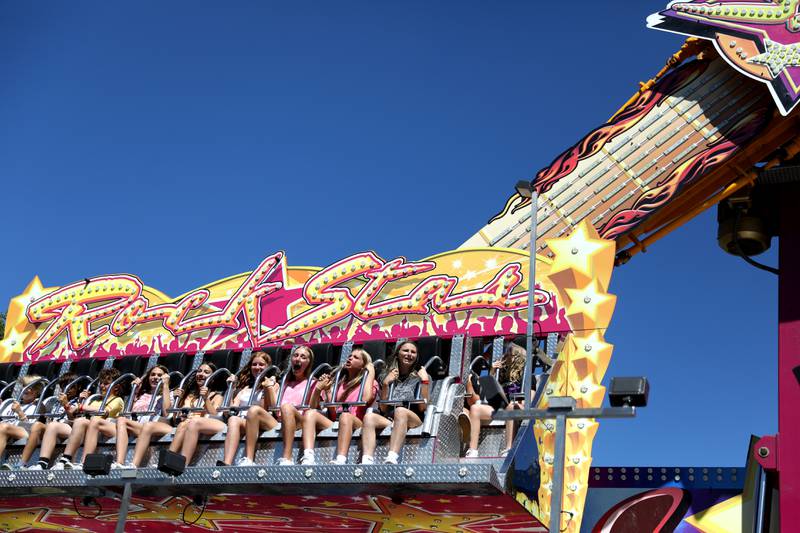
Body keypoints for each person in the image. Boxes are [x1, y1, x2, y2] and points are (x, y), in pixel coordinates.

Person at [129, 362, 221, 468]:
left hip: (202, 425)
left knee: (191, 423)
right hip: (185, 425)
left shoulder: (216, 396)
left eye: (206, 372)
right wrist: (179, 409)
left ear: (212, 377)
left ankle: (181, 463)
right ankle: (168, 460)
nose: (201, 374)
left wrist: (206, 399)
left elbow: (215, 416)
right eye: (199, 371)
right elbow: (173, 417)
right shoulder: (188, 395)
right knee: (183, 425)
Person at [236, 345, 315, 466]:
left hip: (300, 420)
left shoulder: (312, 382)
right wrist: (268, 389)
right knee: (254, 410)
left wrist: (319, 389)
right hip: (279, 420)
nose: (298, 359)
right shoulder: (284, 382)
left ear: (309, 363)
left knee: (287, 407)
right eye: (296, 355)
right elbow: (273, 407)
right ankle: (248, 459)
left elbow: (314, 409)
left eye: (303, 357)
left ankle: (287, 458)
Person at [79, 365, 170, 468]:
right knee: (95, 421)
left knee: (123, 421)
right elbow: (128, 412)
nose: (155, 377)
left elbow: (167, 413)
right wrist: (135, 392)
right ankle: (84, 462)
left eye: (159, 375)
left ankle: (119, 462)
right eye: (152, 374)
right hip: (133, 426)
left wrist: (165, 385)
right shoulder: (141, 394)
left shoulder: (167, 394)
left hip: (150, 427)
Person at [35, 367, 124, 470]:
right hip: (86, 427)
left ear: (116, 387)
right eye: (101, 383)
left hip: (103, 427)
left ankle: (65, 459)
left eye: (106, 383)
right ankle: (42, 463)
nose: (102, 386)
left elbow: (105, 411)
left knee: (81, 422)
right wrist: (79, 402)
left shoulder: (118, 400)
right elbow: (74, 415)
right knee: (53, 426)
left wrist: (82, 407)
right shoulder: (94, 400)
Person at [300, 348, 377, 465]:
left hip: (357, 422)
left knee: (346, 416)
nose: (350, 358)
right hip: (338, 421)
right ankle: (308, 456)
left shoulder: (369, 382)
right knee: (310, 413)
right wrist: (325, 390)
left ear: (363, 366)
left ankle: (341, 458)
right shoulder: (339, 383)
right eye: (350, 356)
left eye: (356, 357)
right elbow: (332, 412)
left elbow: (366, 399)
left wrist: (370, 372)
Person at [360, 341, 430, 465]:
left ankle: (392, 457)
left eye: (413, 352)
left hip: (414, 419)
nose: (409, 354)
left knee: (400, 411)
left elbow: (423, 407)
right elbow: (383, 408)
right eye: (405, 351)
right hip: (392, 418)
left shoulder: (420, 376)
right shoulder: (386, 376)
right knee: (369, 417)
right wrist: (386, 384)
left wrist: (424, 381)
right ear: (398, 354)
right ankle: (367, 459)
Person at [464, 343, 526, 458]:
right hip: (502, 407)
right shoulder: (501, 376)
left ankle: (508, 448)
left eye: (509, 355)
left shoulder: (527, 378)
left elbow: (531, 400)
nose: (505, 357)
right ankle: (472, 450)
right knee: (475, 408)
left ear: (518, 358)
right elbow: (488, 396)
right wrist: (492, 372)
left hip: (518, 407)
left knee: (511, 406)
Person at [218, 351, 277, 466]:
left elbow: (269, 408)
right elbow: (230, 410)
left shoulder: (273, 385)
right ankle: (227, 463)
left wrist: (267, 388)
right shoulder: (245, 389)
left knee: (254, 410)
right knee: (233, 419)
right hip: (247, 422)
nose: (257, 367)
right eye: (254, 364)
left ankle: (249, 458)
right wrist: (231, 389)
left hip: (264, 421)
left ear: (268, 367)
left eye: (261, 364)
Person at [19, 372, 78, 469]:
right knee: (38, 425)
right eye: (63, 386)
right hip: (52, 428)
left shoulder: (79, 400)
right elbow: (44, 417)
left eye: (70, 387)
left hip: (70, 429)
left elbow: (75, 421)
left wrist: (66, 405)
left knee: (53, 425)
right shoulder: (53, 400)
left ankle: (43, 463)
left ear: (78, 388)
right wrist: (41, 407)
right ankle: (22, 464)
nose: (66, 389)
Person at [0, 375, 44, 469]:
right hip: (9, 429)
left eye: (29, 387)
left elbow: (32, 426)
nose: (25, 389)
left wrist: (20, 412)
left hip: (26, 431)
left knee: (4, 427)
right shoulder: (10, 403)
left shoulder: (39, 406)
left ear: (36, 391)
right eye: (23, 386)